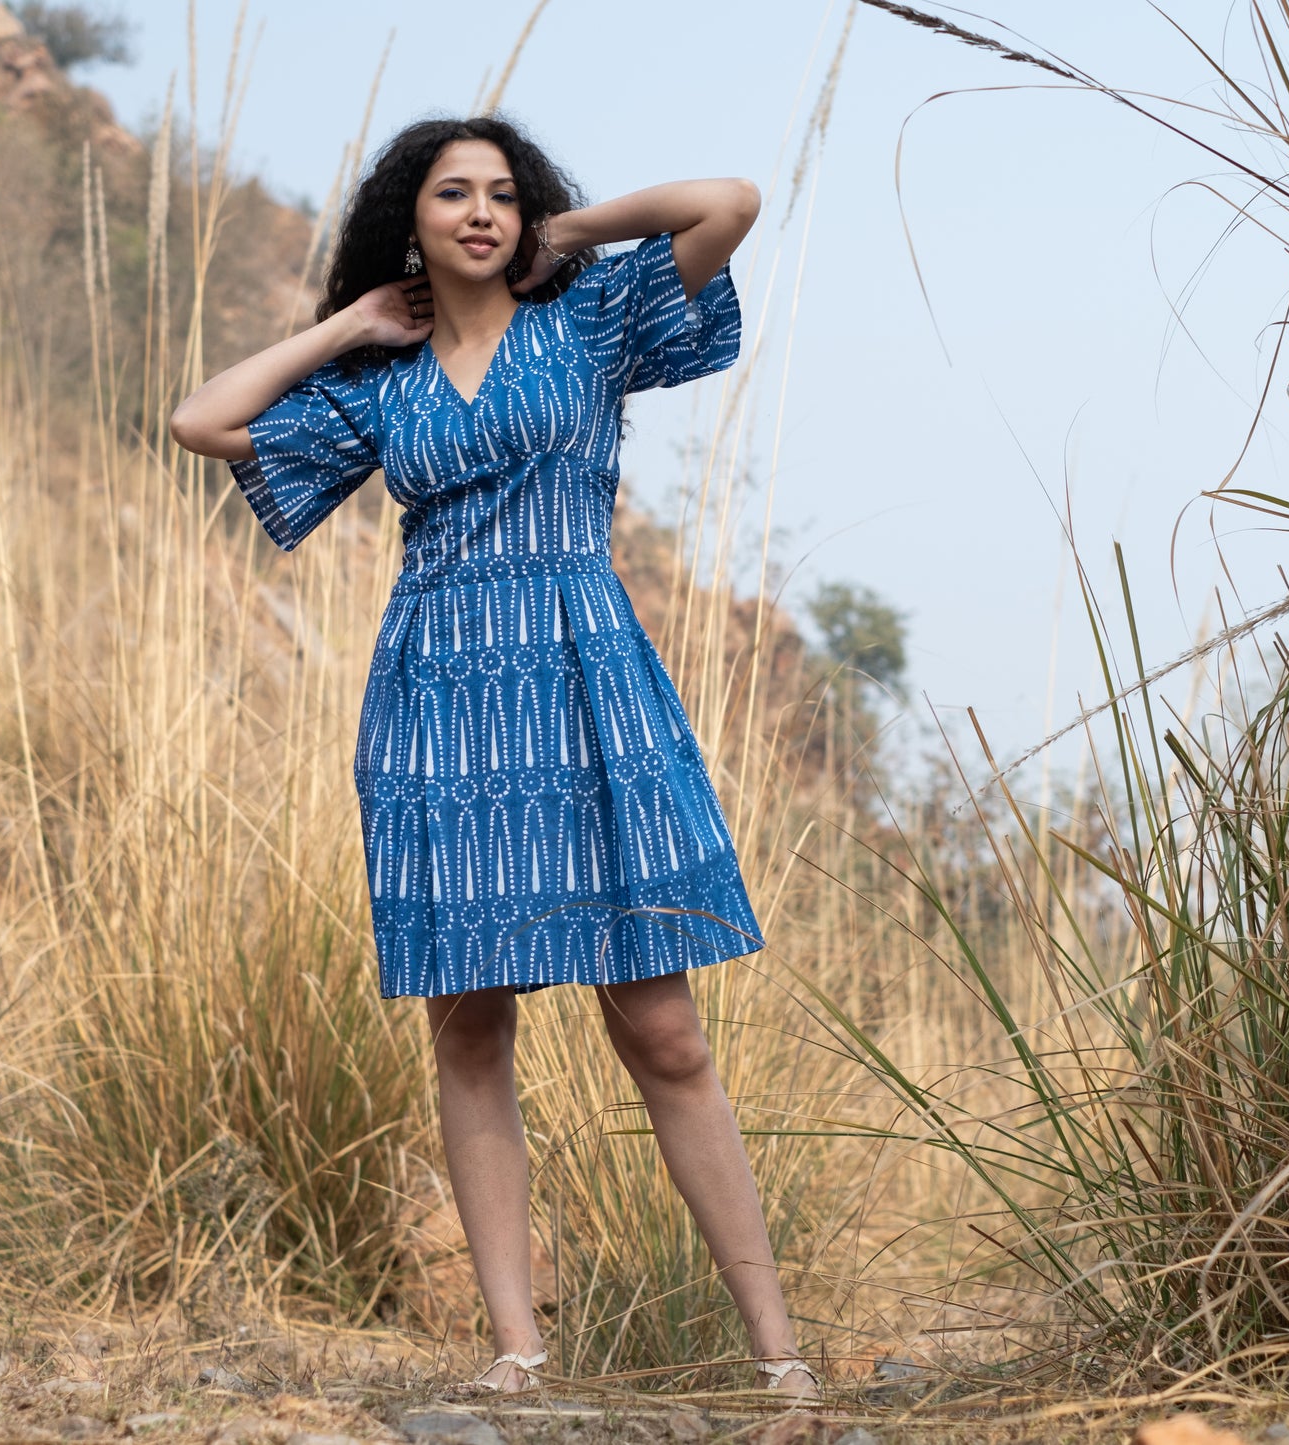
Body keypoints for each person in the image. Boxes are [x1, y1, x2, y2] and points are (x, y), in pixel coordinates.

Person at [170, 114, 818, 1402]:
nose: (481, 212)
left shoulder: (589, 321)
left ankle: (780, 1358)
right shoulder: (377, 385)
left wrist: (566, 237)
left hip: (587, 684)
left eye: (504, 195)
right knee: (471, 1031)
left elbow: (727, 198)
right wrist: (352, 325)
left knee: (666, 1030)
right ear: (407, 218)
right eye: (452, 194)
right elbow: (203, 420)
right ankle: (519, 1354)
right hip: (440, 706)